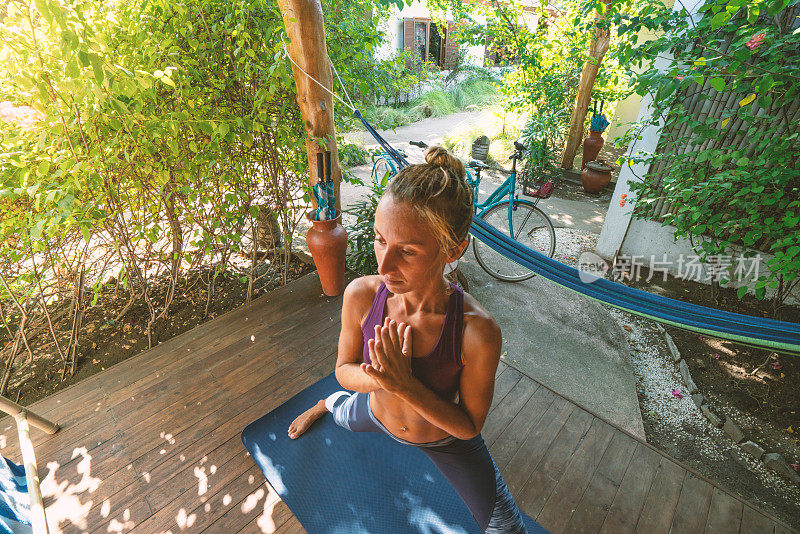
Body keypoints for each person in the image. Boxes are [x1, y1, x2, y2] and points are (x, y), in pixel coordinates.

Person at [288, 146, 528, 533]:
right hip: (376, 414)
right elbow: (344, 369)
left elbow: (468, 427)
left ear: (453, 250)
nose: (383, 265)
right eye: (380, 240)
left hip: (441, 439)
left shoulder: (477, 332)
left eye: (408, 251)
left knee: (508, 527)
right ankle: (323, 406)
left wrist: (404, 385)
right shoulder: (362, 296)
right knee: (342, 409)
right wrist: (384, 382)